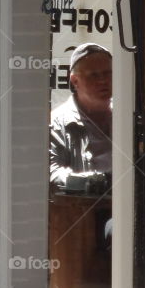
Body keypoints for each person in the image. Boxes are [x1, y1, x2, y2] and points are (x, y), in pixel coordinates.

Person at [49, 43, 112, 192]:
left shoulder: (128, 117)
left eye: (108, 73)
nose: (103, 80)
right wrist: (96, 182)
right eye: (94, 75)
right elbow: (53, 173)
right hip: (84, 210)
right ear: (75, 81)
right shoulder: (58, 124)